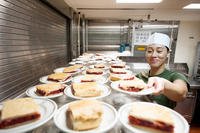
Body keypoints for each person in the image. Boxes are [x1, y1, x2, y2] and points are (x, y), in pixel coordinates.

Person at [137, 32, 189, 109]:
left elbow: (182, 94)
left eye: (159, 51)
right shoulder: (140, 76)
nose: (153, 55)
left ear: (167, 53)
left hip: (162, 118)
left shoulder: (175, 76)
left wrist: (163, 83)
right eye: (149, 51)